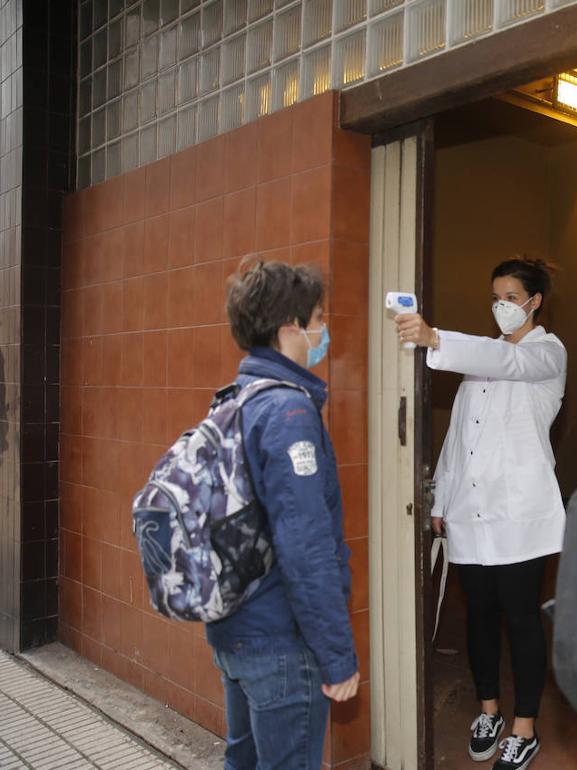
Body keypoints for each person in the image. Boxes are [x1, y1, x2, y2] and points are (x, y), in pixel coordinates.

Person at [395, 258, 566, 770]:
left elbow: (508, 363)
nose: (501, 306)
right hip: (470, 513)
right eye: (496, 296)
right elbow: (457, 440)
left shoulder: (547, 353)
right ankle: (489, 711)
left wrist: (433, 337)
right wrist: (442, 500)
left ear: (534, 302)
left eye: (511, 297)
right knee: (480, 620)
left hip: (519, 516)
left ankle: (524, 727)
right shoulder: (481, 362)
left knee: (520, 619)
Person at [214, 260, 359, 770]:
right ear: (290, 328)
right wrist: (337, 655)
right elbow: (306, 547)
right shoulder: (289, 413)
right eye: (319, 317)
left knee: (243, 761)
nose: (324, 329)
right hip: (279, 639)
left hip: (236, 627)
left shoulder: (237, 398)